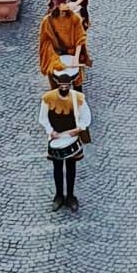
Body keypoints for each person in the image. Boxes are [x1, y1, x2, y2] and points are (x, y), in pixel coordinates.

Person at [41, 71, 92, 211]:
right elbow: (43, 117)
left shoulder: (78, 98)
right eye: (62, 85)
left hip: (71, 138)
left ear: (70, 85)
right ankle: (58, 196)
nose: (64, 88)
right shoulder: (48, 98)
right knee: (57, 168)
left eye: (67, 85)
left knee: (71, 168)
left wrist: (78, 129)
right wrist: (50, 131)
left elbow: (86, 116)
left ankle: (70, 196)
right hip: (56, 138)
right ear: (58, 84)